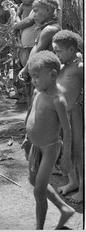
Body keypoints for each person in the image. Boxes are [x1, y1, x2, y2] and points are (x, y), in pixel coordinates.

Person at [25, 50, 74, 230]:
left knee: (38, 190)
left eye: (37, 77)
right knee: (33, 179)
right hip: (35, 145)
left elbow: (67, 131)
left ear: (53, 75)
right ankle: (64, 209)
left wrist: (66, 156)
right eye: (32, 77)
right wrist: (26, 136)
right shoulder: (38, 93)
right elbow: (32, 112)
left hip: (50, 148)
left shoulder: (57, 100)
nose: (33, 81)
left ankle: (39, 228)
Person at [52, 30, 84, 204]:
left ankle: (83, 191)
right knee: (67, 150)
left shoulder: (80, 67)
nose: (56, 55)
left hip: (74, 115)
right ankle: (73, 182)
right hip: (63, 116)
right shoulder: (65, 66)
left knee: (79, 152)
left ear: (71, 49)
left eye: (59, 51)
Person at [18, 0, 61, 84]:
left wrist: (25, 69)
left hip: (45, 75)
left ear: (48, 10)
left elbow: (37, 52)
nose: (34, 15)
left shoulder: (49, 30)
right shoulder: (46, 28)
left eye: (36, 11)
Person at [13, 0, 38, 104]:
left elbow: (29, 21)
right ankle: (26, 95)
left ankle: (33, 97)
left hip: (33, 45)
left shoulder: (36, 6)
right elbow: (17, 16)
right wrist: (17, 23)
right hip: (24, 46)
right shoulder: (22, 6)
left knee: (33, 71)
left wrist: (17, 25)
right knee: (25, 72)